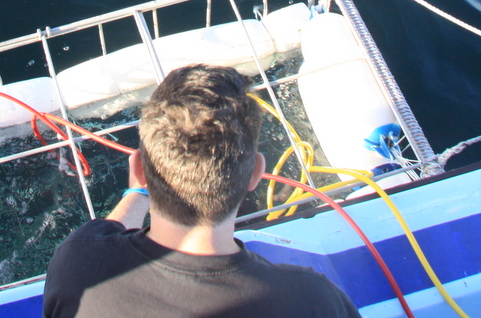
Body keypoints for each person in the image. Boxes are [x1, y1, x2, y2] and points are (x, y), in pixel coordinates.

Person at [42, 64, 360, 318]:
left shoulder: (78, 267)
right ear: (255, 175)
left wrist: (138, 193)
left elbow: (103, 237)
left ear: (139, 169)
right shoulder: (312, 300)